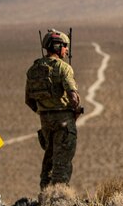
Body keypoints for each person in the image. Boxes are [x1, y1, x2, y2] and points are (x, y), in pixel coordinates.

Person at [25, 29, 81, 190]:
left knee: (48, 159)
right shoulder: (63, 68)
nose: (67, 50)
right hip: (64, 121)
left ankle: (44, 193)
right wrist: (74, 110)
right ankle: (58, 197)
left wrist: (44, 110)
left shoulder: (33, 70)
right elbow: (73, 97)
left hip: (45, 122)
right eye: (64, 46)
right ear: (57, 47)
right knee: (62, 162)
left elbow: (28, 100)